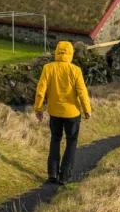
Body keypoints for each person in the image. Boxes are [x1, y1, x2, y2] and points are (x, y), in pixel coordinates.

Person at [34, 41, 91, 185]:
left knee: (55, 139)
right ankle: (65, 175)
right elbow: (82, 92)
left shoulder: (48, 68)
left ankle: (52, 173)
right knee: (71, 142)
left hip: (54, 112)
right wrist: (87, 109)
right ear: (70, 53)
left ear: (57, 52)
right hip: (72, 113)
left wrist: (38, 108)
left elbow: (41, 90)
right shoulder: (75, 70)